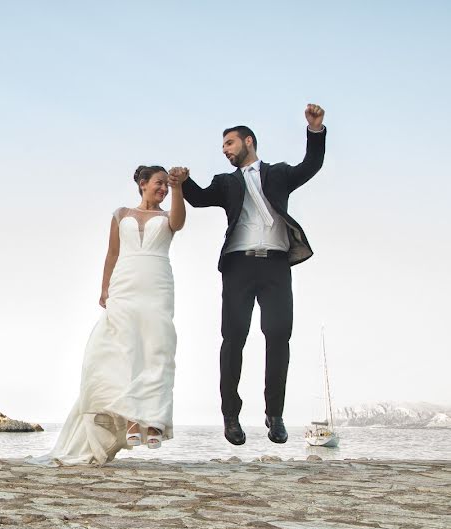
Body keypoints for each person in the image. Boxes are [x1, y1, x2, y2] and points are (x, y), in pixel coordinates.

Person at [176, 104, 326, 446]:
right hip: (238, 265)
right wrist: (184, 183)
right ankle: (231, 415)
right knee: (233, 339)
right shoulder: (225, 182)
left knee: (278, 337)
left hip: (275, 264)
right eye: (223, 147)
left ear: (248, 141)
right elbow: (198, 199)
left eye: (229, 143)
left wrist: (315, 130)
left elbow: (311, 165)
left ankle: (275, 414)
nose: (225, 150)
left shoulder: (279, 174)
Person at [27, 165, 187, 466]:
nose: (163, 189)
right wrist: (105, 288)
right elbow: (112, 253)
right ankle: (129, 420)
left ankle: (154, 422)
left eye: (166, 185)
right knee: (123, 351)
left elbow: (178, 223)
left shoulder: (167, 217)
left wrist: (179, 188)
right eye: (159, 183)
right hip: (124, 285)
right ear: (142, 184)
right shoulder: (120, 214)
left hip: (156, 284)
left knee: (157, 349)